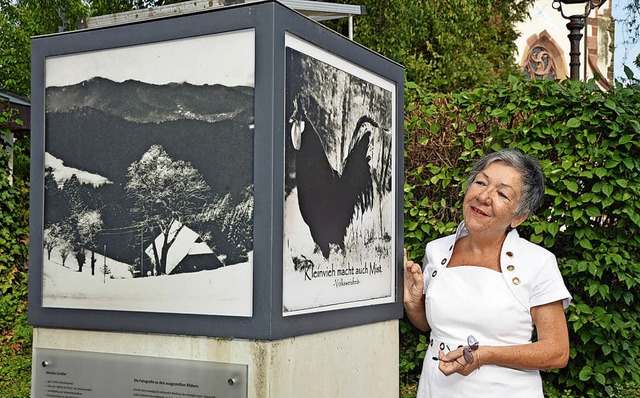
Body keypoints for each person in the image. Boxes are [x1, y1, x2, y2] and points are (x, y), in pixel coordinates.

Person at [404, 149, 571, 398]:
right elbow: (433, 327)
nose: (483, 196)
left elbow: (557, 351)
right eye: (481, 182)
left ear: (519, 217)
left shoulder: (538, 263)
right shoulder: (436, 250)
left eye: (502, 194)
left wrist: (484, 355)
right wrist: (412, 300)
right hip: (435, 389)